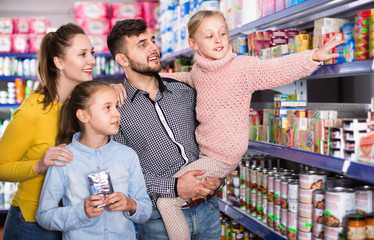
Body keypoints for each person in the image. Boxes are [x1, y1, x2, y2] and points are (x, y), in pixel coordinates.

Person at [157, 10, 346, 239]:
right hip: (207, 151)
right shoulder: (199, 71)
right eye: (209, 36)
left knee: (167, 200)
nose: (218, 40)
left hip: (222, 155)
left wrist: (314, 55)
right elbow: (187, 78)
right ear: (193, 44)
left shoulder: (242, 68)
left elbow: (276, 69)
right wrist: (154, 77)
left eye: (222, 33)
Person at [107, 19, 223, 240]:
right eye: (142, 44)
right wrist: (175, 186)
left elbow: (212, 140)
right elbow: (121, 172)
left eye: (152, 41)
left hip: (208, 209)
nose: (153, 48)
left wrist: (219, 177)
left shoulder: (185, 91)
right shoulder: (115, 108)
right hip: (158, 218)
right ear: (122, 59)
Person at [0, 23, 95, 240]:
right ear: (59, 62)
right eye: (82, 54)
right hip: (31, 224)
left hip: (65, 218)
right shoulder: (33, 112)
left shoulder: (74, 107)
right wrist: (39, 165)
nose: (91, 60)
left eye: (91, 53)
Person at [35, 81, 152, 239]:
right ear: (83, 115)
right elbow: (44, 216)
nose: (117, 113)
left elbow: (145, 210)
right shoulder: (63, 159)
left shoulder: (127, 156)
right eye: (107, 107)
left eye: (117, 106)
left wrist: (130, 204)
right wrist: (81, 211)